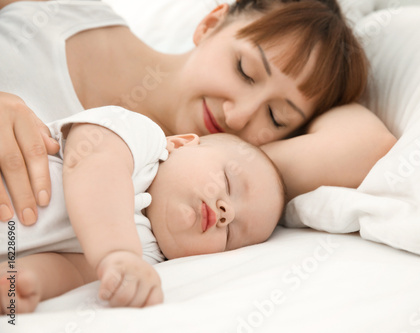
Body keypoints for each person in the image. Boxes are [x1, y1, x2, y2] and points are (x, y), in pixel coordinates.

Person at [0, 0, 396, 226]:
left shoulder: (161, 179)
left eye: (276, 118)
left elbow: (369, 147)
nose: (238, 117)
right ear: (210, 23)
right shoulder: (62, 11)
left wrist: (204, 160)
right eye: (245, 71)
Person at [0, 105, 285, 313]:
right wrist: (117, 252)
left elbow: (71, 270)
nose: (227, 214)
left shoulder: (146, 258)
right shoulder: (141, 140)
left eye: (231, 236)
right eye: (228, 182)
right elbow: (92, 163)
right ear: (181, 143)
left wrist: (25, 279)